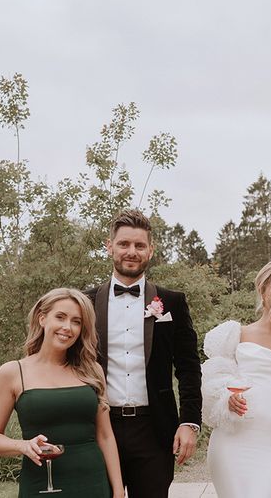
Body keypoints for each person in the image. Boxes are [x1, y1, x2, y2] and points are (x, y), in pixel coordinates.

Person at [85, 209, 202, 498]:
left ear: (150, 250)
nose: (131, 251)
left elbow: (188, 367)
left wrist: (189, 423)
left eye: (139, 245)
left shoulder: (172, 301)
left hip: (154, 430)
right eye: (124, 244)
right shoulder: (84, 301)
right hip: (97, 428)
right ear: (109, 246)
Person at [0, 288, 124, 498]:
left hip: (93, 482)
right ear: (42, 318)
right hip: (41, 484)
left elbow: (105, 435)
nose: (68, 327)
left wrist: (118, 490)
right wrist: (23, 446)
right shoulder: (12, 372)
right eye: (60, 317)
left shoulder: (92, 370)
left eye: (76, 321)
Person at [202, 259, 271, 498]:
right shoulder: (236, 334)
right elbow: (212, 385)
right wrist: (227, 399)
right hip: (233, 443)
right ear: (262, 291)